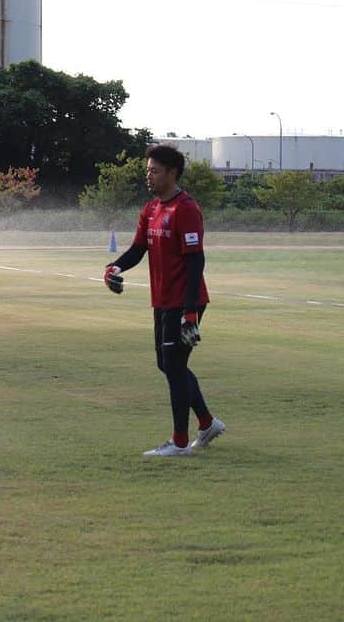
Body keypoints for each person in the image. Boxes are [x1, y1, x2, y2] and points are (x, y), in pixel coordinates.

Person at [104, 145, 226, 457]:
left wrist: (189, 313)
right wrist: (114, 267)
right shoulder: (151, 209)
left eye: (155, 171)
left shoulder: (186, 209)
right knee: (168, 364)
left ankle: (180, 442)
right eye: (148, 170)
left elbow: (196, 262)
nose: (149, 175)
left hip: (185, 301)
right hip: (161, 300)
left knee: (173, 365)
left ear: (172, 173)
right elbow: (136, 250)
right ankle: (207, 422)